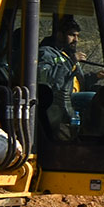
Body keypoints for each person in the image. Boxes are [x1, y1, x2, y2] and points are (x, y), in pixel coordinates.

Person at [36, 14, 85, 142]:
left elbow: (75, 80)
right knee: (90, 98)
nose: (76, 40)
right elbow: (50, 82)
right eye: (72, 35)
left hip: (72, 108)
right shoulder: (46, 53)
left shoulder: (66, 54)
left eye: (77, 36)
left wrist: (96, 76)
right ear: (59, 35)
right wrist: (71, 62)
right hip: (57, 108)